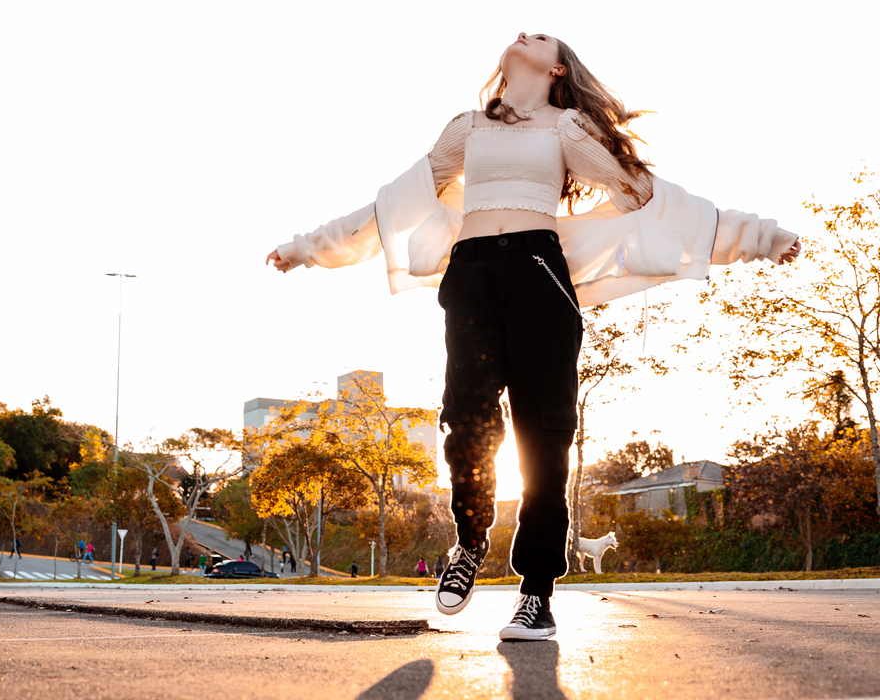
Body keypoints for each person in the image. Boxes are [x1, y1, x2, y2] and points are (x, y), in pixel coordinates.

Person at [267, 32, 800, 641]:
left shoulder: (566, 129)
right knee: (465, 414)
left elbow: (648, 194)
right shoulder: (467, 128)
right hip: (471, 277)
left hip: (539, 271)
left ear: (556, 67)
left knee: (544, 434)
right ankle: (470, 540)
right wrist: (305, 249)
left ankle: (536, 593)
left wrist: (758, 237)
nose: (524, 34)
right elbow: (392, 206)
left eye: (540, 36)